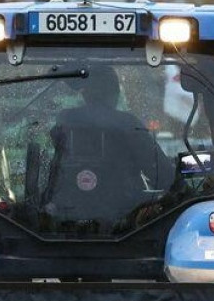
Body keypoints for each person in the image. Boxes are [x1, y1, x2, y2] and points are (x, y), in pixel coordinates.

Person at [45, 65, 175, 223]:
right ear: (115, 93)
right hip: (126, 225)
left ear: (85, 93)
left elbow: (51, 172)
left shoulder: (65, 120)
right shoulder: (128, 124)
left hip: (61, 222)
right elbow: (164, 176)